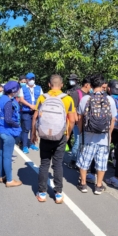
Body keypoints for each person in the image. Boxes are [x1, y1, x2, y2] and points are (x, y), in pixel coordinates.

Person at [31, 74, 76, 203]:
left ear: (49, 85)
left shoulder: (42, 97)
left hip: (44, 135)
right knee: (57, 165)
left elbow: (35, 117)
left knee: (44, 164)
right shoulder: (68, 99)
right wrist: (67, 134)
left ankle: (42, 193)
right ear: (61, 85)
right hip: (60, 136)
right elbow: (72, 120)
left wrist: (33, 134)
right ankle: (58, 194)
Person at [76, 73, 117, 194]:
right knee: (102, 162)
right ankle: (98, 186)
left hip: (88, 137)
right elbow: (113, 119)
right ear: (103, 85)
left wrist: (81, 131)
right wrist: (109, 133)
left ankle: (83, 184)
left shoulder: (85, 99)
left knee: (84, 160)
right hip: (104, 138)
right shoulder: (110, 100)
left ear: (91, 85)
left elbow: (80, 118)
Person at [0, 81, 23, 187]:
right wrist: (17, 125)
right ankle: (10, 180)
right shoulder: (8, 102)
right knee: (7, 157)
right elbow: (8, 119)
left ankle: (2, 176)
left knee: (1, 154)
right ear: (13, 91)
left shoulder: (2, 99)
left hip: (0, 130)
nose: (18, 91)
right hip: (7, 132)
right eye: (17, 89)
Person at [67, 75, 92, 169]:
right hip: (77, 122)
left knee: (83, 142)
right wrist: (76, 119)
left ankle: (80, 160)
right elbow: (72, 108)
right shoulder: (76, 93)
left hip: (86, 122)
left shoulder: (90, 95)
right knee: (78, 141)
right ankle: (73, 160)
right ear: (87, 85)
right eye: (91, 86)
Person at [19, 72, 43, 154]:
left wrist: (38, 108)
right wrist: (30, 106)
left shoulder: (39, 88)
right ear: (27, 80)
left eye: (33, 79)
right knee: (26, 129)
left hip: (35, 111)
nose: (31, 81)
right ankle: (25, 146)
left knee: (34, 128)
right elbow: (21, 100)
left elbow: (42, 99)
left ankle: (32, 143)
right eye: (30, 79)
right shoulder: (23, 89)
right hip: (26, 111)